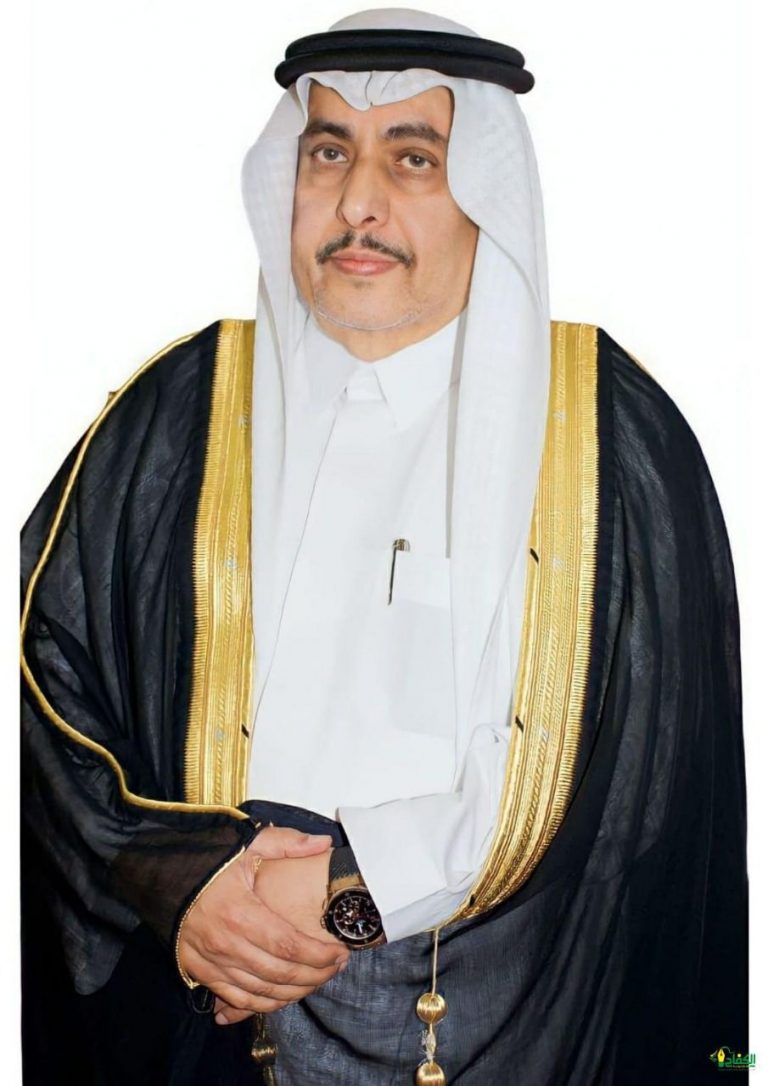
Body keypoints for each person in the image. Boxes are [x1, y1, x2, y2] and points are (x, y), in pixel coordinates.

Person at [20, 8, 748, 1085]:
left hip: (507, 1034)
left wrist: (343, 895)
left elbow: (641, 781)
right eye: (329, 152)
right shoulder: (177, 410)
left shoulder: (605, 434)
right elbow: (46, 669)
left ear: (485, 190)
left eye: (414, 158)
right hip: (199, 1020)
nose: (358, 202)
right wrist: (182, 881)